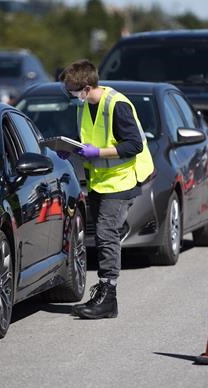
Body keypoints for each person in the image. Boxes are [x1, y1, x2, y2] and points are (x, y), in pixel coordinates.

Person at [59, 60, 154, 319]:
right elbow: (89, 140)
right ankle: (104, 294)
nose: (70, 96)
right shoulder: (86, 106)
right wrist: (73, 149)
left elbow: (133, 145)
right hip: (100, 180)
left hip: (122, 180)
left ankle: (108, 296)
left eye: (72, 91)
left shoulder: (116, 105)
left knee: (105, 233)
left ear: (87, 88)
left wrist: (97, 152)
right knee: (103, 235)